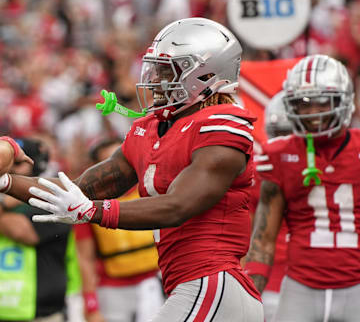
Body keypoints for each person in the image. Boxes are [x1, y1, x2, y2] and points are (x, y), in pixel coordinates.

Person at [3, 18, 263, 321]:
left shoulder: (222, 125)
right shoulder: (150, 129)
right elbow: (77, 190)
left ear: (205, 74)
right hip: (188, 284)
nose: (155, 80)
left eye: (169, 71)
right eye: (156, 69)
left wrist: (92, 211)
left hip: (213, 282)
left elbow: (178, 206)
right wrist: (6, 181)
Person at [246, 54, 360, 322]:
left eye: (321, 101)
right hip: (301, 286)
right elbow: (262, 241)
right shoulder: (279, 154)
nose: (313, 113)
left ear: (342, 100)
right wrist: (249, 300)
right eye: (303, 104)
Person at [75, 137, 163, 322]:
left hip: (156, 282)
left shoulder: (151, 188)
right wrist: (91, 303)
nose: (120, 171)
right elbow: (85, 258)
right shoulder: (85, 203)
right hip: (112, 288)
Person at [0, 138, 80, 322]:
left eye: (17, 164)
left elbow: (21, 232)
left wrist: (5, 201)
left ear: (36, 164)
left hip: (41, 312)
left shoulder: (52, 199)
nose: (8, 168)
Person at [247, 91, 292, 322]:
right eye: (278, 135)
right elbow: (251, 236)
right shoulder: (260, 170)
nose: (283, 144)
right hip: (271, 275)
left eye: (288, 135)